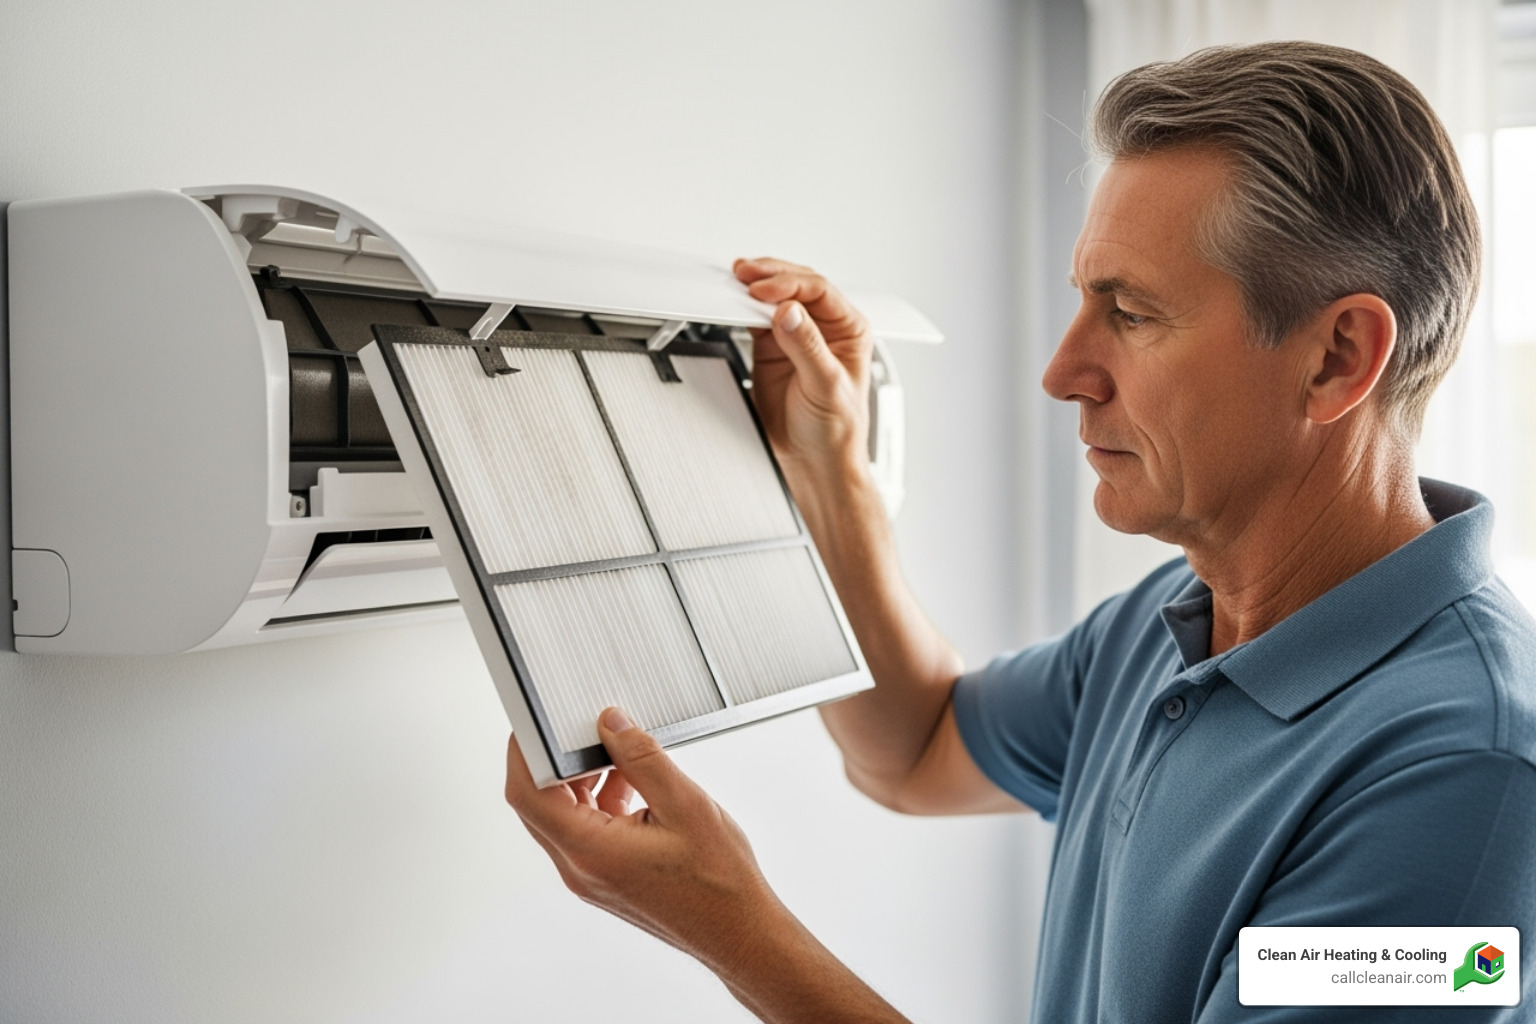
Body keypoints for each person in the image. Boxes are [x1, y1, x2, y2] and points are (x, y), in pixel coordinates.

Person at [504, 40, 1536, 1022]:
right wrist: (831, 471)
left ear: (1337, 357)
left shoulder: (1461, 776)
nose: (1063, 372)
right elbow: (915, 747)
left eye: (1131, 313)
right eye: (1084, 301)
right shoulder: (1172, 624)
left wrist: (738, 934)